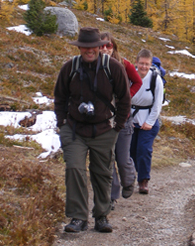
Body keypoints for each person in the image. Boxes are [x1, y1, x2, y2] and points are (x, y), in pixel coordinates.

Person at [54, 27, 131, 233]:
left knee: (102, 174)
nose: (89, 51)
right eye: (85, 47)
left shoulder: (113, 68)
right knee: (74, 169)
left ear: (101, 47)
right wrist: (62, 124)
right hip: (74, 129)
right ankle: (78, 217)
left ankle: (101, 216)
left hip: (104, 130)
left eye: (93, 47)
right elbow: (60, 97)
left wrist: (118, 127)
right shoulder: (69, 68)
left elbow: (124, 99)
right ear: (79, 48)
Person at [99, 32, 142, 209]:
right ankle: (111, 195)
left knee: (122, 159)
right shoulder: (95, 66)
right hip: (103, 121)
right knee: (107, 159)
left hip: (123, 119)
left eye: (108, 45)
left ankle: (129, 180)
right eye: (101, 46)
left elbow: (137, 81)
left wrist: (127, 97)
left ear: (114, 47)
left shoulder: (125, 64)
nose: (104, 49)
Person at [130, 49, 164, 194]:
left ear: (150, 64)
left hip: (149, 119)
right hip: (131, 119)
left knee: (143, 150)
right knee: (130, 151)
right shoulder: (129, 77)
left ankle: (143, 181)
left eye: (147, 64)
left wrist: (149, 122)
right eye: (141, 63)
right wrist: (127, 119)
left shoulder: (155, 79)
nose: (143, 67)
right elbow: (123, 99)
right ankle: (130, 178)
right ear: (136, 63)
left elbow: (157, 104)